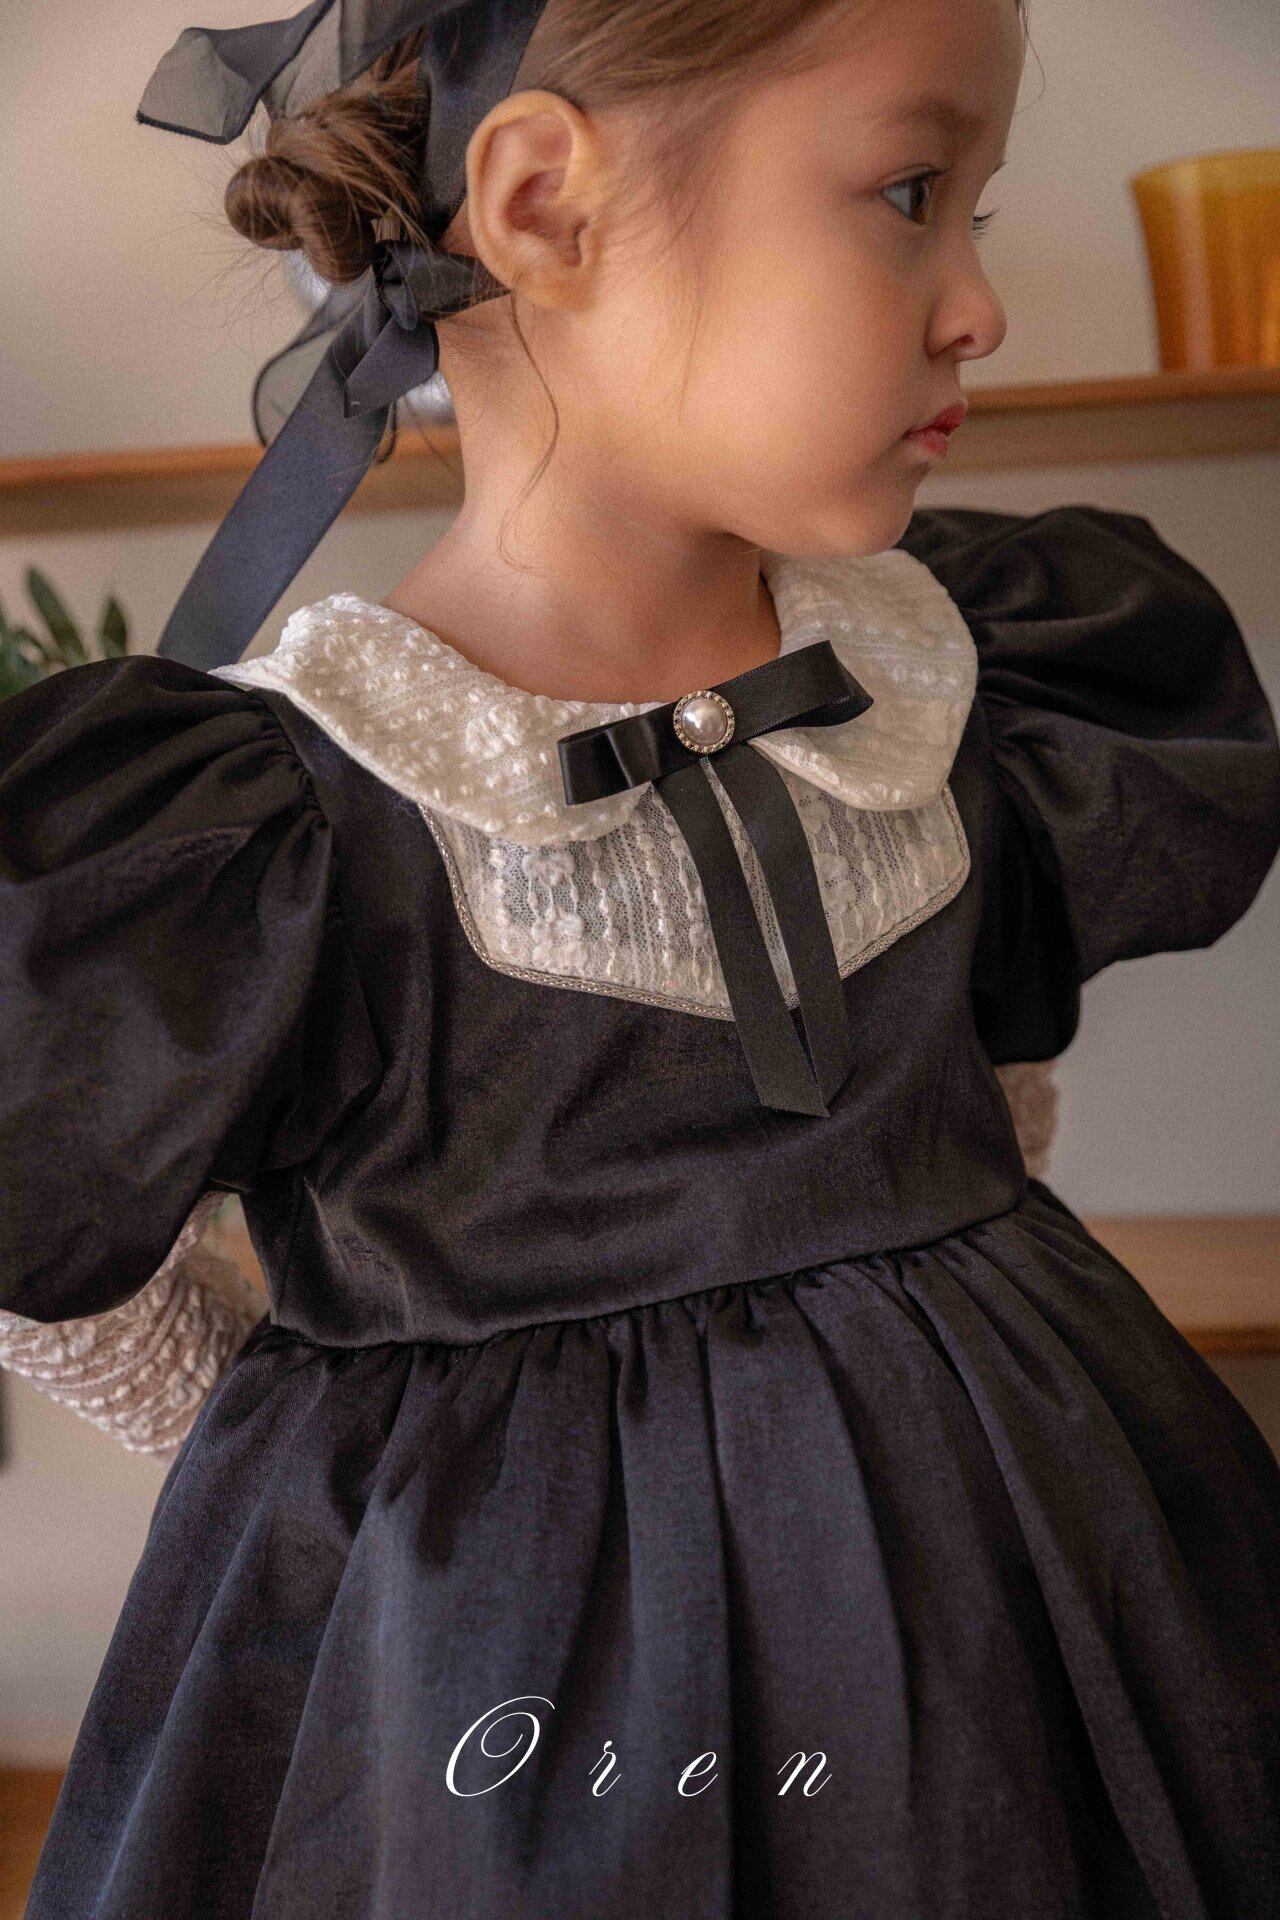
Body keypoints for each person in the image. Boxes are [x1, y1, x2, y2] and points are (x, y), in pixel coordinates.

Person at [3, 0, 1279, 1914]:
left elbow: (991, 1089)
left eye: (978, 211)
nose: (980, 307)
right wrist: (291, 1418)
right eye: (910, 193)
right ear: (542, 203)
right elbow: (41, 1242)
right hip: (499, 1690)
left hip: (1026, 1597)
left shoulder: (958, 682)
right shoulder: (298, 814)